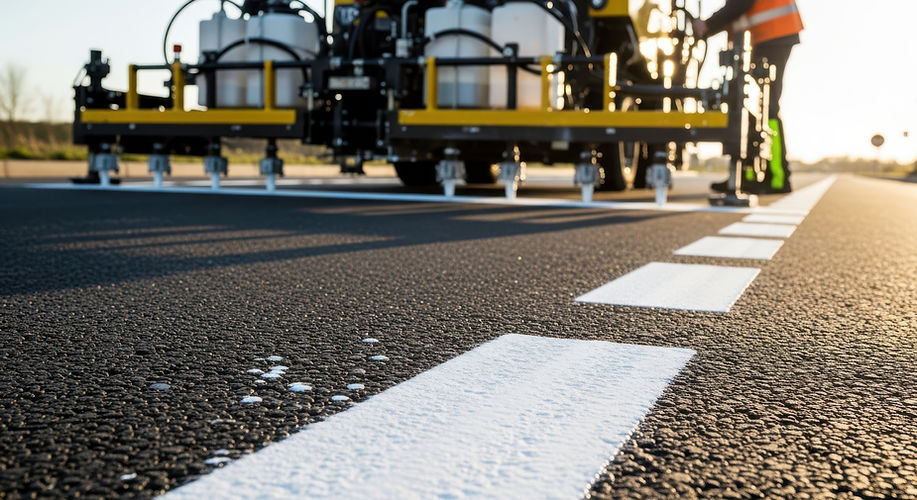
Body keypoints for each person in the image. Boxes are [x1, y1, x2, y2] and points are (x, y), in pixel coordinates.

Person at [694, 0, 803, 194]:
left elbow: (741, 3)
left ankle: (777, 177)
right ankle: (746, 174)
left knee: (767, 107)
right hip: (764, 36)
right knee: (745, 104)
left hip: (774, 33)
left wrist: (707, 25)